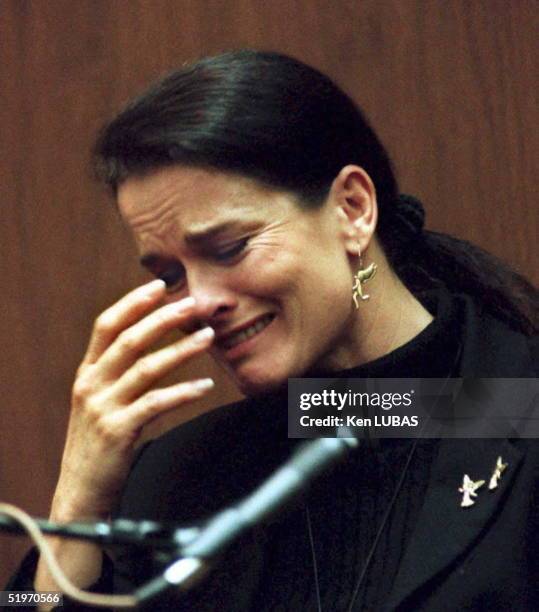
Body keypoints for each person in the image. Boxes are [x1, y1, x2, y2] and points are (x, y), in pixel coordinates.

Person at [7, 50, 538, 611]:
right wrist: (74, 506)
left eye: (229, 248)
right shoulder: (179, 478)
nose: (201, 300)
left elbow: (404, 410)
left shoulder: (516, 406)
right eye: (170, 275)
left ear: (352, 209)